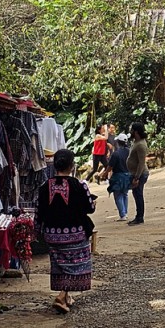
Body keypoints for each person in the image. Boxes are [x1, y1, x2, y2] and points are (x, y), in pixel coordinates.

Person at [35, 149, 96, 314]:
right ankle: (61, 296)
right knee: (75, 266)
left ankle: (66, 297)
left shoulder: (44, 187)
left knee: (60, 266)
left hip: (52, 235)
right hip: (76, 235)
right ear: (71, 165)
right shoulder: (80, 185)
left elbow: (39, 212)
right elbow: (90, 208)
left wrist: (37, 231)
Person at [104, 133, 131, 221]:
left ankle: (122, 214)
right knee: (125, 194)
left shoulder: (116, 154)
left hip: (118, 176)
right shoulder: (129, 151)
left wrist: (105, 173)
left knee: (118, 195)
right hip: (127, 175)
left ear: (118, 142)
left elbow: (110, 166)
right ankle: (125, 213)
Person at [126, 122, 149, 226]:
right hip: (135, 172)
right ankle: (138, 216)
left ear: (135, 132)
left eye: (132, 130)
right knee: (136, 194)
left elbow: (141, 163)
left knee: (138, 194)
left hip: (139, 173)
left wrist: (137, 177)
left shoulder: (141, 145)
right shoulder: (136, 142)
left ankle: (139, 217)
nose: (130, 132)